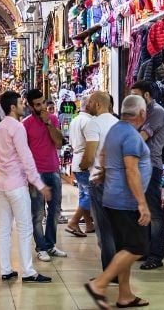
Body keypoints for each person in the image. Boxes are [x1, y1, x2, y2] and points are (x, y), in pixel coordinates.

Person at [84, 95, 151, 310]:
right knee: (137, 247)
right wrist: (142, 203)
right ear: (142, 113)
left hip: (112, 198)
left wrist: (106, 173)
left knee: (124, 247)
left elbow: (104, 156)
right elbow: (131, 169)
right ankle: (99, 284)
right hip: (126, 201)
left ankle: (125, 295)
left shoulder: (115, 130)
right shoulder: (131, 135)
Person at [0, 91, 53, 283]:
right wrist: (38, 183)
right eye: (20, 103)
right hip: (17, 184)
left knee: (4, 228)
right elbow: (26, 156)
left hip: (2, 183)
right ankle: (27, 271)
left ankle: (6, 269)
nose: (23, 105)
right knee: (25, 228)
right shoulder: (17, 127)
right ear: (12, 106)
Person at [130, 81, 164, 270]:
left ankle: (156, 255)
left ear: (147, 96)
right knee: (141, 209)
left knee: (153, 212)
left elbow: (141, 138)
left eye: (136, 95)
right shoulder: (139, 113)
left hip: (151, 167)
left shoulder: (157, 112)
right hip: (137, 167)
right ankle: (144, 249)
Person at [23, 89, 67, 261]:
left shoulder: (53, 119)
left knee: (55, 210)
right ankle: (41, 246)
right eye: (37, 104)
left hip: (53, 170)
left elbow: (58, 144)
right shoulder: (25, 125)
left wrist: (48, 123)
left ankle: (50, 244)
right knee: (38, 213)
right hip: (36, 173)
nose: (41, 107)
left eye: (43, 102)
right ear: (30, 105)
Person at [82, 92, 119, 271]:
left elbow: (89, 156)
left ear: (97, 104)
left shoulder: (93, 124)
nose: (87, 105)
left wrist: (82, 165)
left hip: (99, 180)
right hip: (119, 180)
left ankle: (110, 272)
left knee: (104, 228)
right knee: (117, 227)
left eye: (89, 102)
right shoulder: (119, 124)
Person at [65, 97, 94, 238]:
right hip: (85, 163)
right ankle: (74, 221)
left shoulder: (75, 120)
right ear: (89, 106)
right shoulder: (89, 122)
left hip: (76, 161)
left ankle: (89, 224)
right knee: (90, 194)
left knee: (84, 194)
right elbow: (91, 145)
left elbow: (71, 143)